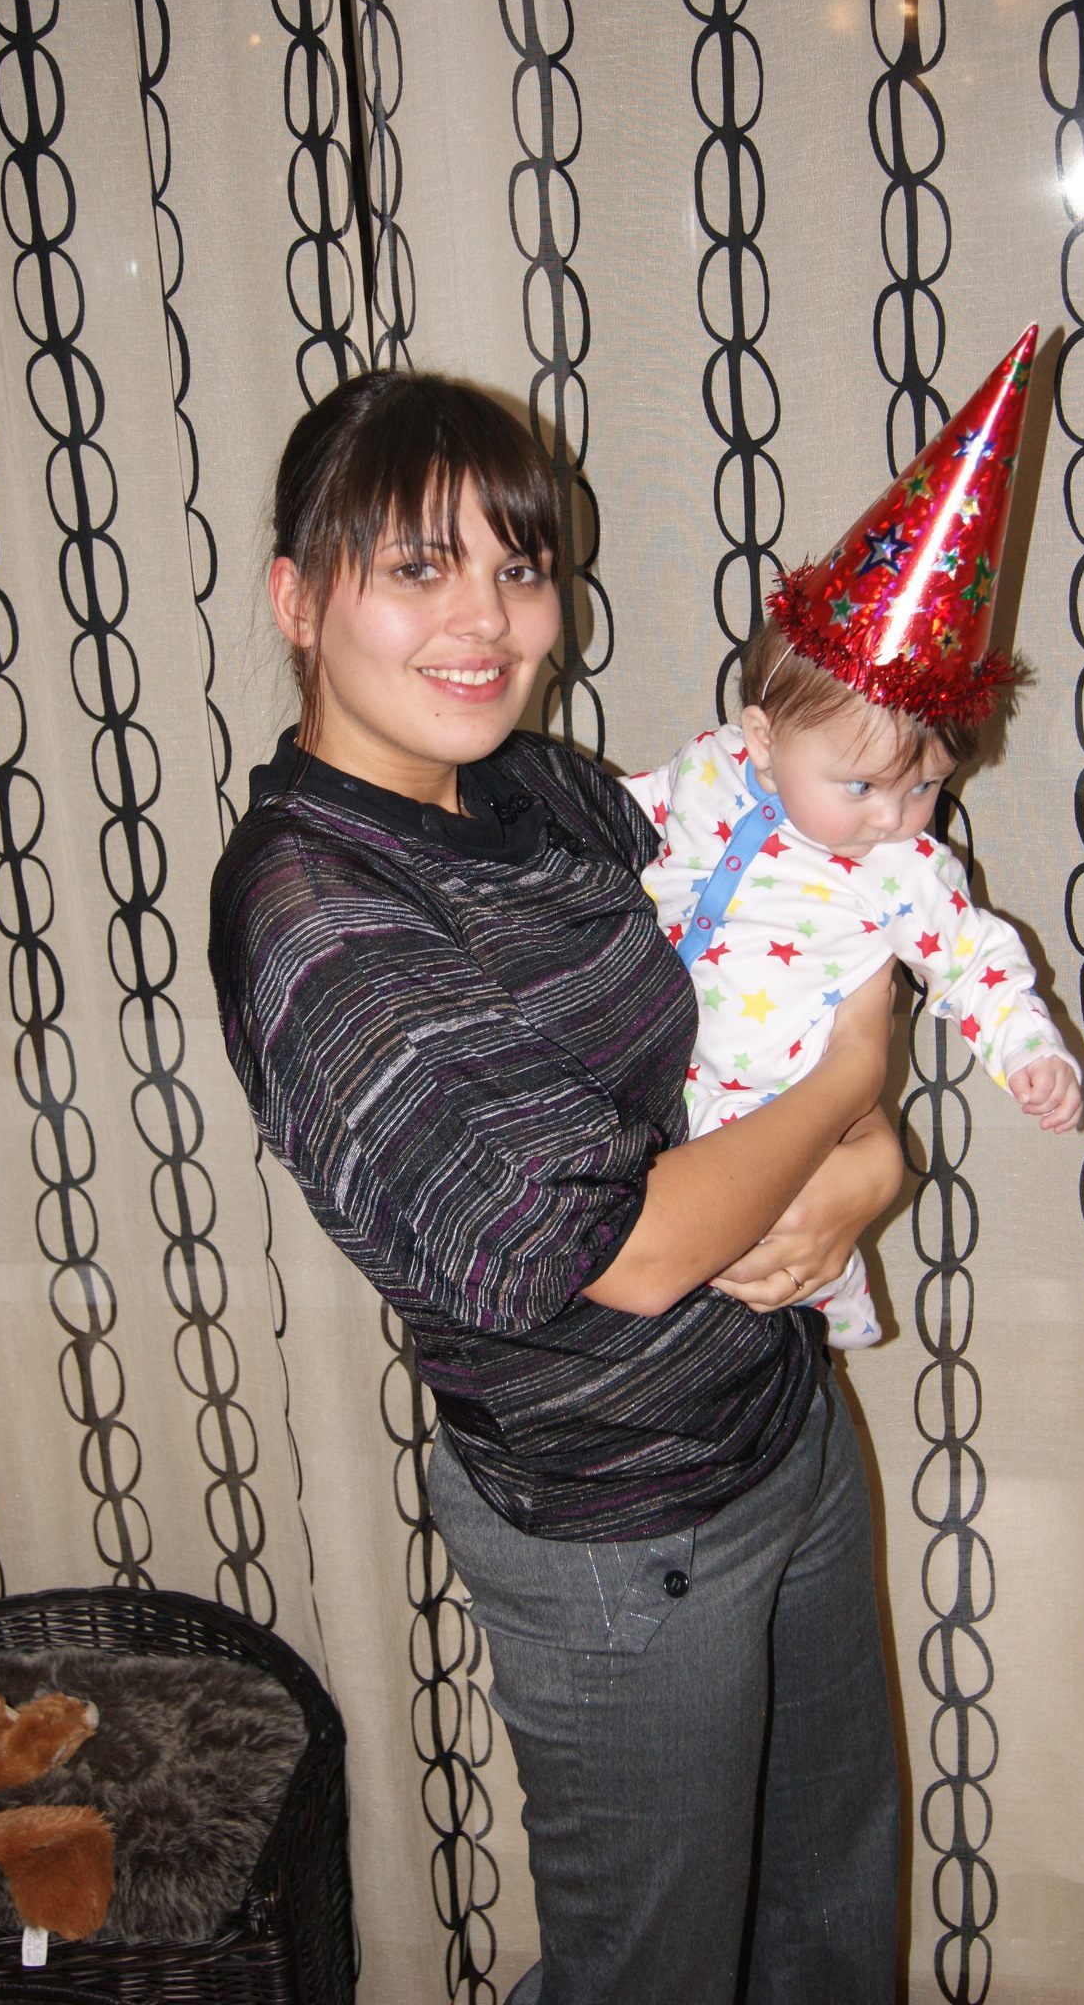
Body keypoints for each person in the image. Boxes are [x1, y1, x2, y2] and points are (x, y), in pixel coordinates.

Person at [209, 370, 903, 2004]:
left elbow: (772, 937)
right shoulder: (319, 916)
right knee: (650, 1971)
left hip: (781, 1420)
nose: (487, 620)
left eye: (517, 567)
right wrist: (849, 1091)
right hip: (619, 1531)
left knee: (826, 1917)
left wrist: (863, 1158)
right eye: (418, 566)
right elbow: (624, 1251)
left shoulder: (529, 788)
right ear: (296, 599)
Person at [622, 328, 1081, 1354]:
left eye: (925, 787)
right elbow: (620, 813)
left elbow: (974, 959)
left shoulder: (905, 870)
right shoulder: (706, 770)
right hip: (646, 1082)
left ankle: (800, 1334)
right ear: (761, 738)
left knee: (759, 1280)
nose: (892, 814)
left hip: (767, 1118)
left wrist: (1029, 1050)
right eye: (862, 785)